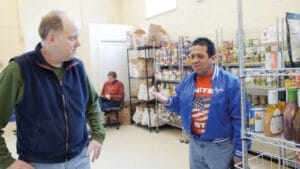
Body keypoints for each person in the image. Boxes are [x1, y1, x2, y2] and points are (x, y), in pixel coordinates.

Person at [0, 10, 105, 169]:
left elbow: (92, 103)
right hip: (40, 164)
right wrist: (6, 162)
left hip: (80, 158)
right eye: (72, 38)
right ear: (51, 39)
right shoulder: (18, 70)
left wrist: (98, 135)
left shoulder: (78, 67)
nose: (78, 43)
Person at [151, 37, 251, 169]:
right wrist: (168, 101)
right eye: (192, 56)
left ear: (213, 58)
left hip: (220, 148)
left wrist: (240, 152)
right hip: (195, 145)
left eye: (200, 56)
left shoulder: (231, 83)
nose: (194, 60)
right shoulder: (188, 81)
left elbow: (241, 120)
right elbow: (182, 107)